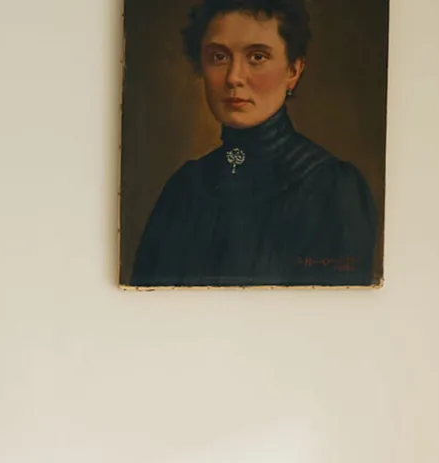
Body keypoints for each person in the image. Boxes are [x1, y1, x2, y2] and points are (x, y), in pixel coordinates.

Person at [130, 2, 377, 288]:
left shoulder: (333, 188)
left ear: (293, 72)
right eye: (219, 57)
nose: (234, 77)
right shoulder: (184, 188)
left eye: (257, 56)